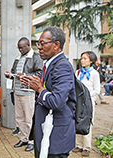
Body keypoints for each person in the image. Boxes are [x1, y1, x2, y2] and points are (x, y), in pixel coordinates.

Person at [20, 26, 76, 157]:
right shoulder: (49, 64)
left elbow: (57, 102)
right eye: (38, 44)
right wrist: (34, 84)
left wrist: (39, 89)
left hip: (56, 136)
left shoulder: (62, 66)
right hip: (46, 131)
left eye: (42, 43)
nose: (38, 47)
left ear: (56, 45)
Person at [5, 37, 43, 152]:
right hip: (17, 91)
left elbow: (39, 73)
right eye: (19, 48)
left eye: (22, 48)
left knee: (29, 118)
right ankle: (24, 138)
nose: (20, 50)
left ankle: (32, 141)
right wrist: (10, 75)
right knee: (19, 118)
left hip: (28, 92)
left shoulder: (36, 57)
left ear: (28, 45)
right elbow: (14, 72)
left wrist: (25, 74)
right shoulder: (18, 58)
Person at [72, 51, 100, 157]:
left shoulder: (94, 74)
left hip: (89, 102)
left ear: (91, 60)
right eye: (81, 58)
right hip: (78, 102)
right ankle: (79, 145)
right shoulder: (78, 72)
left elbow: (97, 90)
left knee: (87, 123)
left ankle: (87, 147)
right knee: (78, 121)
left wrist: (86, 95)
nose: (82, 60)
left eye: (85, 58)